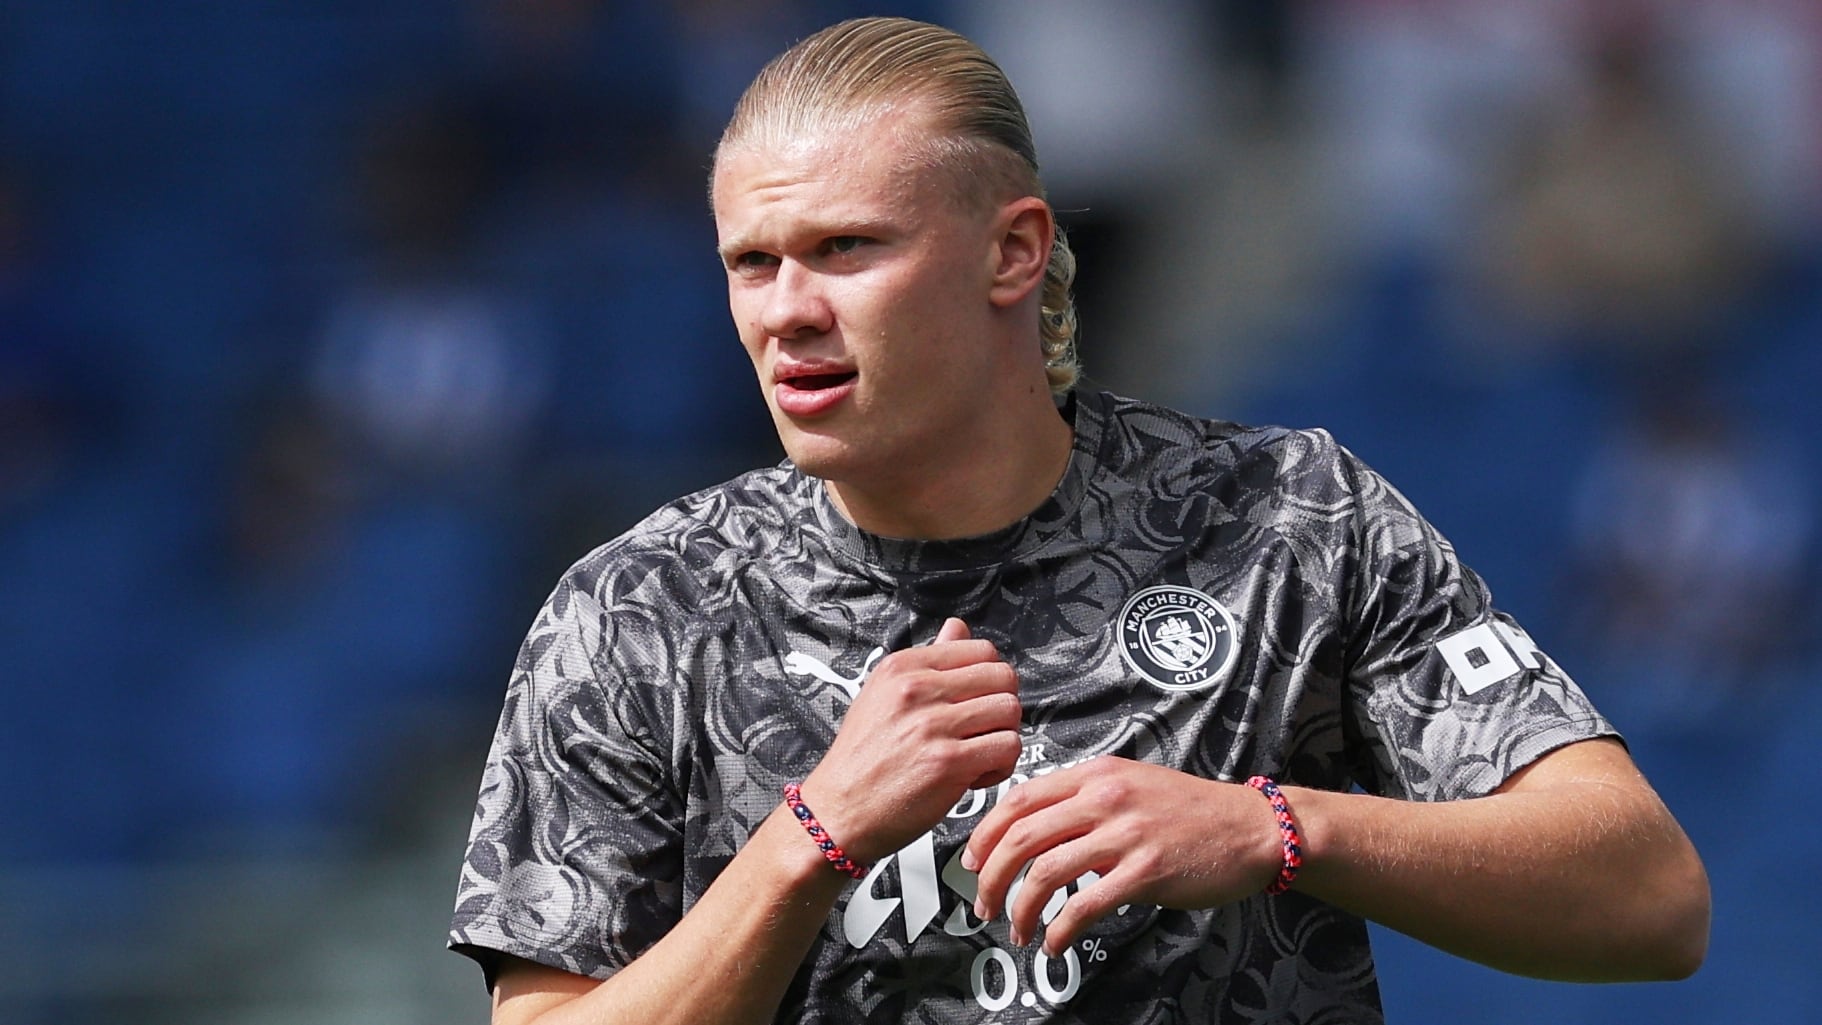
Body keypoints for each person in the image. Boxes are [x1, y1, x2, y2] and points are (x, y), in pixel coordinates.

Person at [448, 17, 1709, 1024]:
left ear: (1012, 253)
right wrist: (809, 840)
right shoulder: (640, 607)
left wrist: (1274, 826)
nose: (786, 309)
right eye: (751, 261)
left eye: (845, 248)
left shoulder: (1288, 519)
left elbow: (1648, 895)